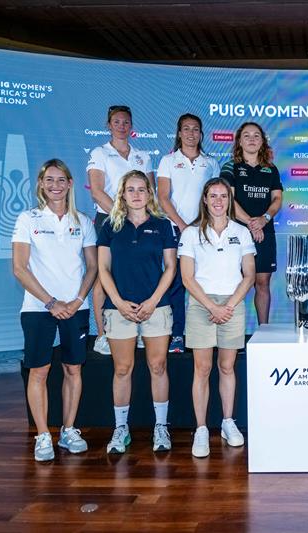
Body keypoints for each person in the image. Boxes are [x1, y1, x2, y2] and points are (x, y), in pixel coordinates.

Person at [12, 159, 97, 461]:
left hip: (76, 307)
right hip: (38, 308)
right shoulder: (28, 219)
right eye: (49, 180)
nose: (55, 186)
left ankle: (68, 430)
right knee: (39, 370)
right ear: (40, 184)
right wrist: (51, 302)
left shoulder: (83, 222)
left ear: (70, 184)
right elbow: (20, 269)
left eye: (61, 180)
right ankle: (43, 436)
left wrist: (75, 301)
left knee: (73, 368)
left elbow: (92, 267)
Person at [97, 170, 177, 454]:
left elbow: (171, 268)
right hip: (119, 309)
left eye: (141, 189)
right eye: (130, 189)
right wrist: (117, 301)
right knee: (122, 368)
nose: (136, 194)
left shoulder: (163, 225)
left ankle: (161, 428)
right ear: (122, 194)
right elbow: (102, 269)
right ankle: (121, 429)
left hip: (156, 306)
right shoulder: (109, 226)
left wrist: (154, 300)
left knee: (158, 366)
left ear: (149, 193)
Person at [178, 178, 256, 458]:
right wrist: (212, 306)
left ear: (230, 200)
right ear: (205, 200)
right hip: (202, 304)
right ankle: (201, 429)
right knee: (202, 368)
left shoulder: (242, 232)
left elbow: (249, 275)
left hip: (232, 305)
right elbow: (187, 277)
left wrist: (229, 305)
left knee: (226, 367)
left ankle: (227, 422)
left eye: (224, 196)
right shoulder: (190, 233)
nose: (219, 201)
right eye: (213, 196)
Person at [87, 105, 154, 355]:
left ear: (131, 126)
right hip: (109, 220)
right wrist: (122, 217)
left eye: (126, 122)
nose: (122, 126)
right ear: (109, 125)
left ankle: (134, 330)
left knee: (135, 274)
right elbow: (96, 190)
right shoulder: (99, 153)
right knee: (103, 277)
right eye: (117, 121)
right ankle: (103, 335)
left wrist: (135, 217)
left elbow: (150, 191)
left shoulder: (143, 156)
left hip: (139, 221)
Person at [157, 113, 221, 353]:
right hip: (175, 228)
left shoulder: (210, 162)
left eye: (196, 129)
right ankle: (176, 334)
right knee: (176, 283)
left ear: (201, 134)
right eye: (186, 129)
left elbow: (214, 197)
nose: (191, 133)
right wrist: (183, 226)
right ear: (179, 133)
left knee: (202, 281)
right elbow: (163, 197)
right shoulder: (168, 160)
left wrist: (199, 226)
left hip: (203, 229)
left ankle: (205, 334)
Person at [220, 122, 282, 325]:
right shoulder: (230, 167)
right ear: (239, 141)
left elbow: (277, 200)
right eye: (246, 135)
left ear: (263, 141)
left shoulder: (271, 169)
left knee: (262, 283)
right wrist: (250, 223)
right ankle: (233, 334)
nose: (252, 139)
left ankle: (264, 331)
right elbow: (228, 199)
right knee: (235, 283)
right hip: (237, 232)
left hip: (265, 231)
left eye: (256, 135)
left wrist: (264, 219)